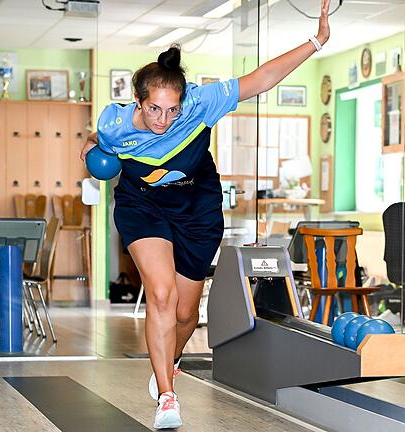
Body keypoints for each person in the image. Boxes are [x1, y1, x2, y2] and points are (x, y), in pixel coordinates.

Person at [81, 1, 331, 428]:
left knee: (185, 314)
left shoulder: (202, 103)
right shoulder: (117, 124)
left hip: (197, 207)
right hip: (142, 205)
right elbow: (93, 142)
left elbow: (262, 78)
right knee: (161, 295)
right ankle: (166, 396)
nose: (163, 119)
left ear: (184, 100)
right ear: (138, 102)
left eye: (172, 109)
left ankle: (171, 359)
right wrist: (88, 160)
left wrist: (316, 40)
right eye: (154, 109)